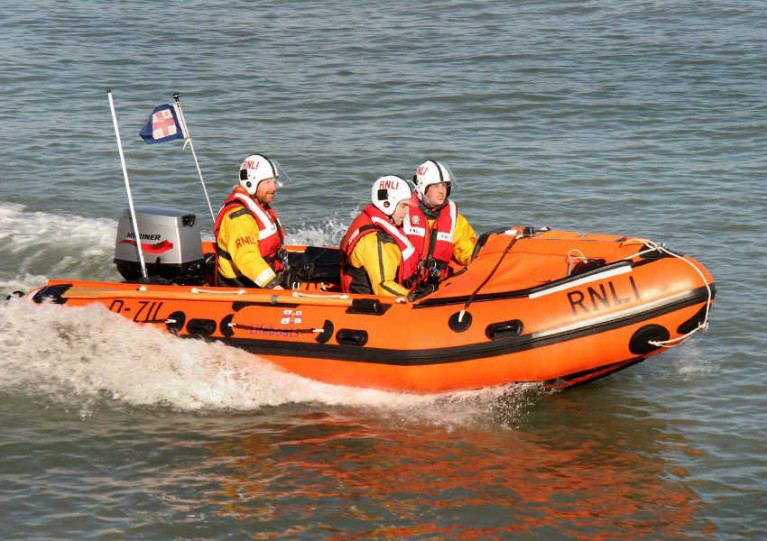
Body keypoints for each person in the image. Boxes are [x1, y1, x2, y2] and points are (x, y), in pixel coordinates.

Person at [214, 154, 288, 289]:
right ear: (252, 183)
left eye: (274, 182)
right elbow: (247, 258)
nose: (273, 188)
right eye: (267, 183)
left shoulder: (258, 206)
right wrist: (275, 286)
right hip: (243, 284)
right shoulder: (239, 218)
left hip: (270, 270)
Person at [339, 176, 419, 297]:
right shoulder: (376, 240)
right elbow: (383, 286)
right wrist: (414, 298)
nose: (407, 211)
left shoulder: (366, 219)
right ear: (387, 204)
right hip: (368, 304)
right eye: (403, 206)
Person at [404, 160, 477, 286]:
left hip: (436, 283)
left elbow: (468, 254)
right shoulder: (403, 213)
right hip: (406, 283)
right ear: (422, 188)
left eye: (444, 186)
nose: (442, 191)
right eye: (436, 186)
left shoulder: (454, 219)